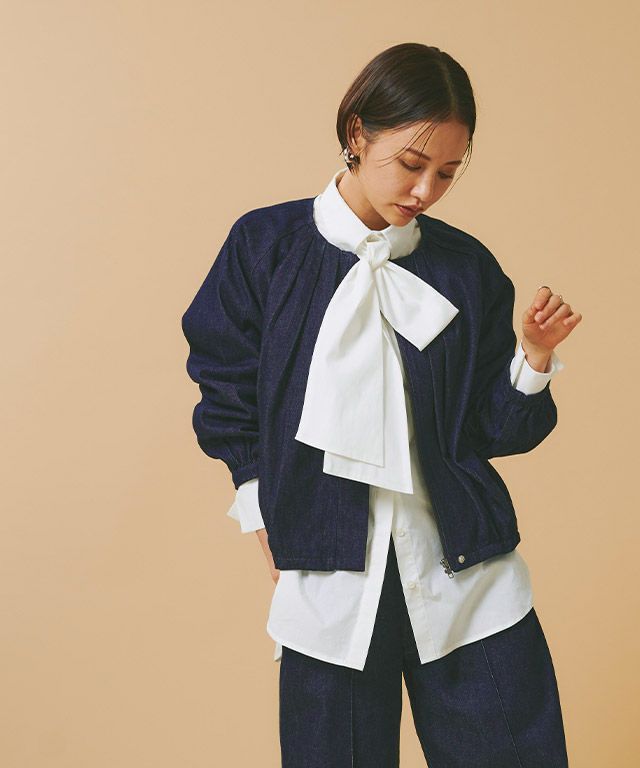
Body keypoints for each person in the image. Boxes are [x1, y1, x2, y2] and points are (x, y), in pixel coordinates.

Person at [181, 42, 581, 768]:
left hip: (464, 574)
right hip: (329, 576)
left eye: (447, 173)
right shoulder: (265, 247)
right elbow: (225, 384)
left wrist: (532, 359)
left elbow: (491, 430)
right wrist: (262, 507)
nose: (426, 190)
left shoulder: (466, 268)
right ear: (358, 133)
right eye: (412, 163)